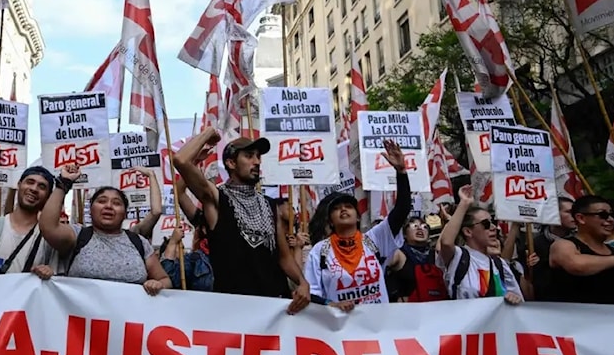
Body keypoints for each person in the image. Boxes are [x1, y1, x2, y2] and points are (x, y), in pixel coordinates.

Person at [173, 128, 309, 314]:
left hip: (273, 309)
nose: (257, 161)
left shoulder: (270, 205)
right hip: (235, 311)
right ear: (231, 163)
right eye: (249, 156)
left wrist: (302, 283)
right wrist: (208, 134)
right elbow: (180, 160)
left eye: (258, 156)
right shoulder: (217, 198)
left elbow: (283, 256)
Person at [32, 164, 171, 296]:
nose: (109, 206)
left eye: (116, 203)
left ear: (124, 213)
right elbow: (48, 226)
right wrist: (63, 183)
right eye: (102, 201)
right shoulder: (78, 235)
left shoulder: (138, 241)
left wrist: (158, 284)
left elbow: (165, 280)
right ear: (91, 209)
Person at [305, 140, 412, 309]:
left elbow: (402, 209)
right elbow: (311, 293)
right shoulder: (319, 252)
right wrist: (331, 304)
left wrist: (401, 172)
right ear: (330, 221)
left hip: (378, 325)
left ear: (357, 217)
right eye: (337, 209)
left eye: (348, 206)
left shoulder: (374, 239)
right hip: (342, 329)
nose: (343, 210)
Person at [437, 185, 523, 304]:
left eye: (493, 222)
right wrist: (464, 203)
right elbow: (446, 242)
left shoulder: (499, 265)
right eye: (486, 224)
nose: (494, 228)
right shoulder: (459, 257)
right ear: (468, 231)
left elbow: (519, 302)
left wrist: (514, 299)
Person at [548, 195, 614, 306]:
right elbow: (577, 265)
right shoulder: (563, 245)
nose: (610, 220)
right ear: (581, 218)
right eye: (602, 215)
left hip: (612, 319)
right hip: (571, 319)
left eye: (612, 215)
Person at [387, 217, 448, 302]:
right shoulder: (398, 254)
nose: (420, 228)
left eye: (424, 227)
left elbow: (447, 242)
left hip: (436, 308)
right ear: (404, 234)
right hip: (408, 310)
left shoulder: (436, 255)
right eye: (414, 226)